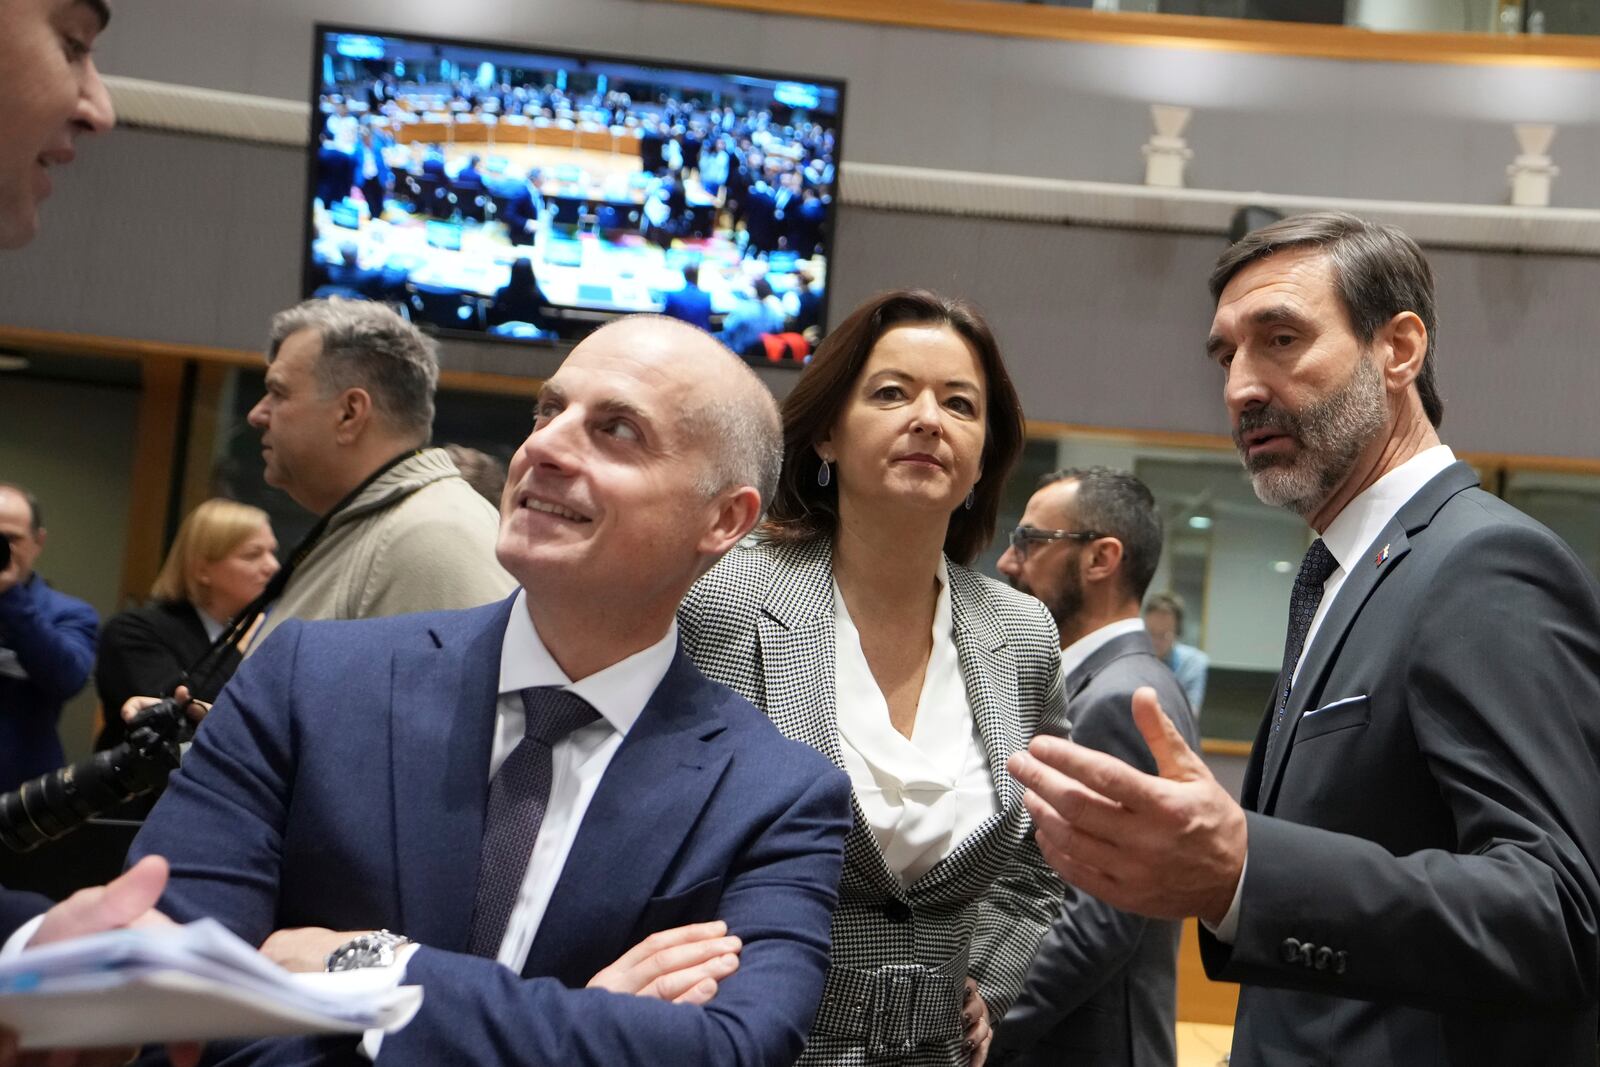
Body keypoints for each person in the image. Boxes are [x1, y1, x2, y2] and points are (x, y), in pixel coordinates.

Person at [129, 316, 855, 1066]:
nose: (542, 445)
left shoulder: (775, 798)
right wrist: (583, 1027)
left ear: (724, 518)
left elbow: (732, 1049)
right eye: (549, 410)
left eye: (615, 430)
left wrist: (372, 969)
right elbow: (172, 993)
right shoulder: (308, 681)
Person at [1008, 212, 1600, 1066]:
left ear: (1398, 349)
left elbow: (1561, 913)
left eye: (1280, 338)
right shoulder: (1341, 572)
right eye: (1226, 355)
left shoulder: (1484, 563)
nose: (1242, 386)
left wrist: (1245, 872)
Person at [679, 289, 1066, 1066]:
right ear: (826, 432)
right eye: (892, 393)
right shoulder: (720, 594)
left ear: (984, 450)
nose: (928, 417)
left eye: (960, 403)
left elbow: (1042, 859)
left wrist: (988, 978)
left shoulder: (1022, 634)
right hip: (740, 1039)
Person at [0, 6, 199, 1066]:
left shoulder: (55, 609)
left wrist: (32, 945)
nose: (100, 103)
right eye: (72, 39)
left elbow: (62, 668)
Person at [989, 469, 1197, 1067]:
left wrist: (974, 1031)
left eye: (1029, 540)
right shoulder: (1104, 683)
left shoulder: (1118, 698)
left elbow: (1093, 921)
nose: (1007, 562)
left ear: (1101, 558)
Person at [244, 297, 514, 648]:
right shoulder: (384, 524)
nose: (256, 414)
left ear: (350, 413)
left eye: (278, 393)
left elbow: (459, 702)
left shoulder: (435, 536)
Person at [94, 499, 279, 751]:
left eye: (272, 552)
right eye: (253, 555)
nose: (273, 566)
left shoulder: (276, 628)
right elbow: (180, 713)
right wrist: (240, 644)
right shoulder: (133, 630)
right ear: (203, 569)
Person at [0, 483, 98, 791]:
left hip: (19, 794)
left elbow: (67, 679)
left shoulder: (69, 614)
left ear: (37, 541)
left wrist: (9, 597)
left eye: (10, 539)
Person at [1141, 593, 1207, 715]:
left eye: (1164, 635)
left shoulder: (1193, 662)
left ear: (1178, 632)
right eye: (1151, 633)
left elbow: (1190, 716)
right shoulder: (1132, 659)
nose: (1155, 641)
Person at [487, 257, 553, 333]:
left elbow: (494, 316)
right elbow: (547, 307)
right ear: (531, 273)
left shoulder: (502, 293)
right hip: (530, 336)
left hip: (504, 334)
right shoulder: (537, 296)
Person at [661, 262, 714, 331]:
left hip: (678, 336)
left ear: (684, 275)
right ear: (697, 275)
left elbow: (665, 318)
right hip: (702, 337)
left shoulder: (672, 296)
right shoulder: (706, 296)